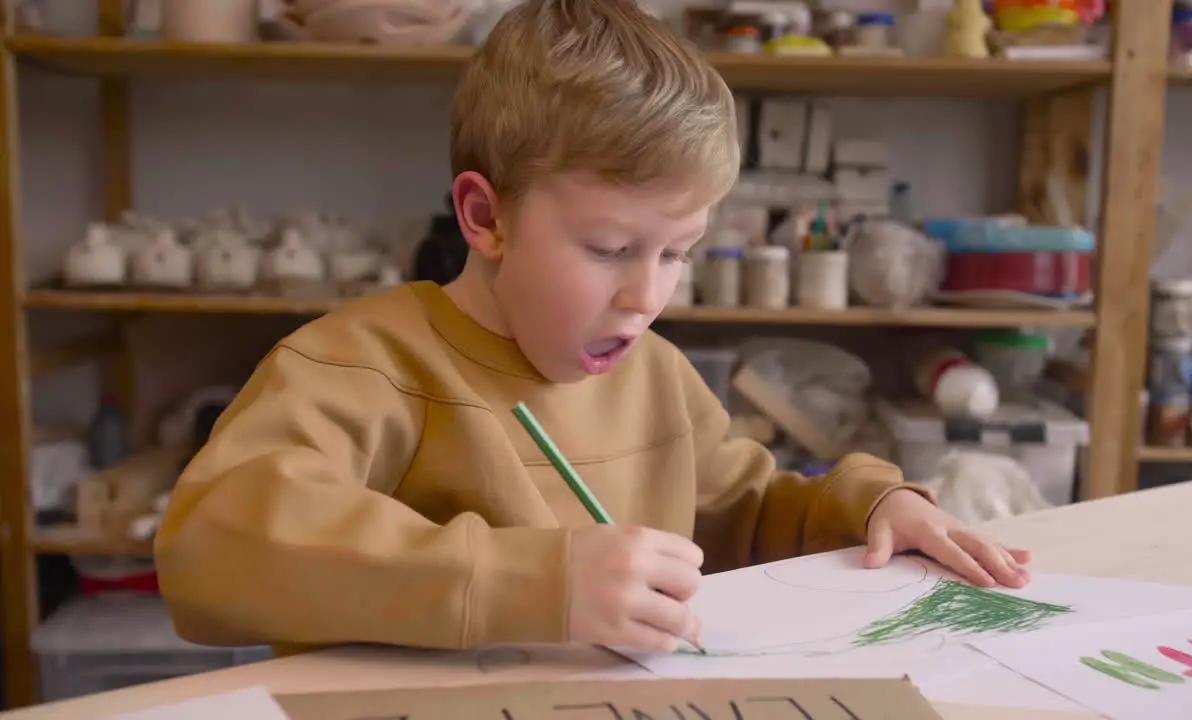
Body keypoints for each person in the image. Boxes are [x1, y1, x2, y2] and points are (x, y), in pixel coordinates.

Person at [154, 0, 1030, 657]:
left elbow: (743, 510)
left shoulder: (654, 377)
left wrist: (873, 505)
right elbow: (209, 549)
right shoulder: (358, 366)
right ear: (484, 216)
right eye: (611, 248)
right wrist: (535, 583)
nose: (645, 296)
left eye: (677, 252)